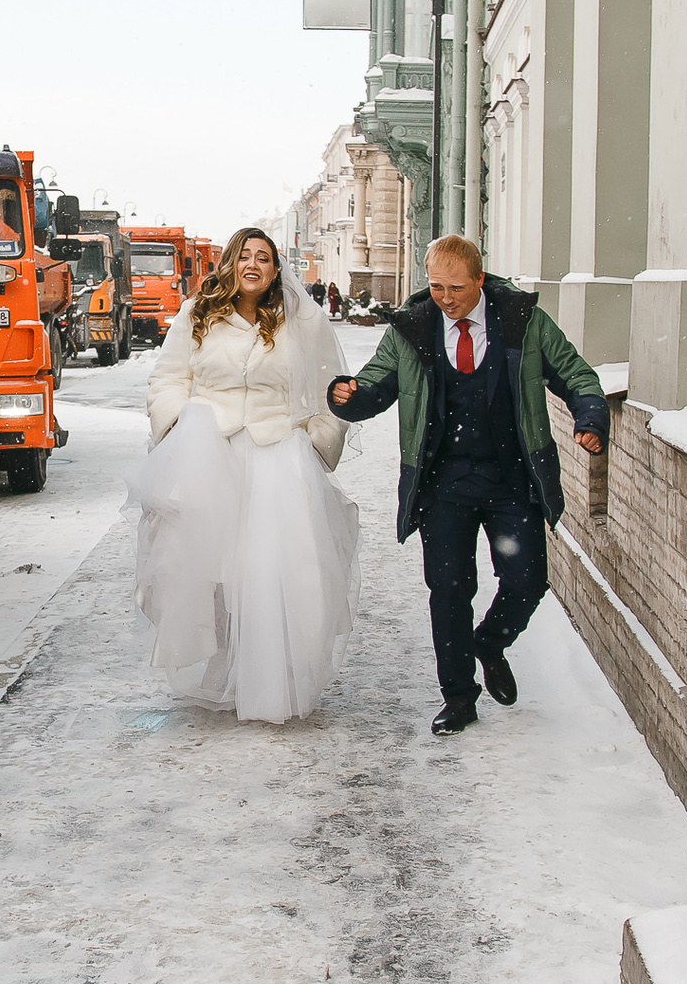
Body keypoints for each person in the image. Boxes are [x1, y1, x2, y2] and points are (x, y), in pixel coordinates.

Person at [326, 235, 609, 736]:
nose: (446, 298)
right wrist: (351, 396)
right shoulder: (413, 328)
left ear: (480, 279)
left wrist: (589, 415)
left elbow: (574, 372)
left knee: (527, 581)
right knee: (449, 590)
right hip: (443, 483)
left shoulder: (522, 322)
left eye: (456, 287)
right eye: (436, 286)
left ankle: (492, 642)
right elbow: (376, 384)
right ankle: (458, 695)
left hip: (510, 478)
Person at [127, 227, 359, 722]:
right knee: (208, 572)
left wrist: (320, 439)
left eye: (264, 258)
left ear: (277, 270)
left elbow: (328, 389)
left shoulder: (302, 321)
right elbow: (168, 379)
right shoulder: (197, 315)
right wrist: (177, 426)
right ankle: (221, 667)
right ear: (229, 262)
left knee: (277, 570)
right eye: (244, 256)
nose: (253, 264)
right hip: (211, 455)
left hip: (278, 458)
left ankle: (271, 678)